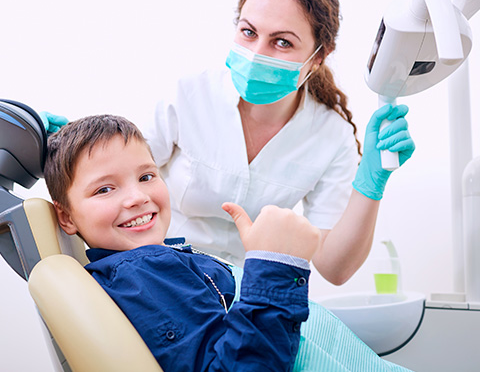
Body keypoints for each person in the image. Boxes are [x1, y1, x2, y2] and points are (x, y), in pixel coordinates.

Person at [43, 114, 413, 372]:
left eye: (146, 175)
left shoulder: (155, 262)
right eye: (105, 189)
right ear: (67, 217)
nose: (137, 197)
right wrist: (274, 267)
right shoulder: (145, 273)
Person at [144, 0, 416, 282]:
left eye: (282, 42)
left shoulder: (330, 135)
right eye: (248, 32)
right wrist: (72, 152)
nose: (257, 53)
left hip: (248, 294)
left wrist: (371, 183)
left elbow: (334, 268)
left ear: (317, 56)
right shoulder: (188, 96)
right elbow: (118, 182)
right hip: (164, 276)